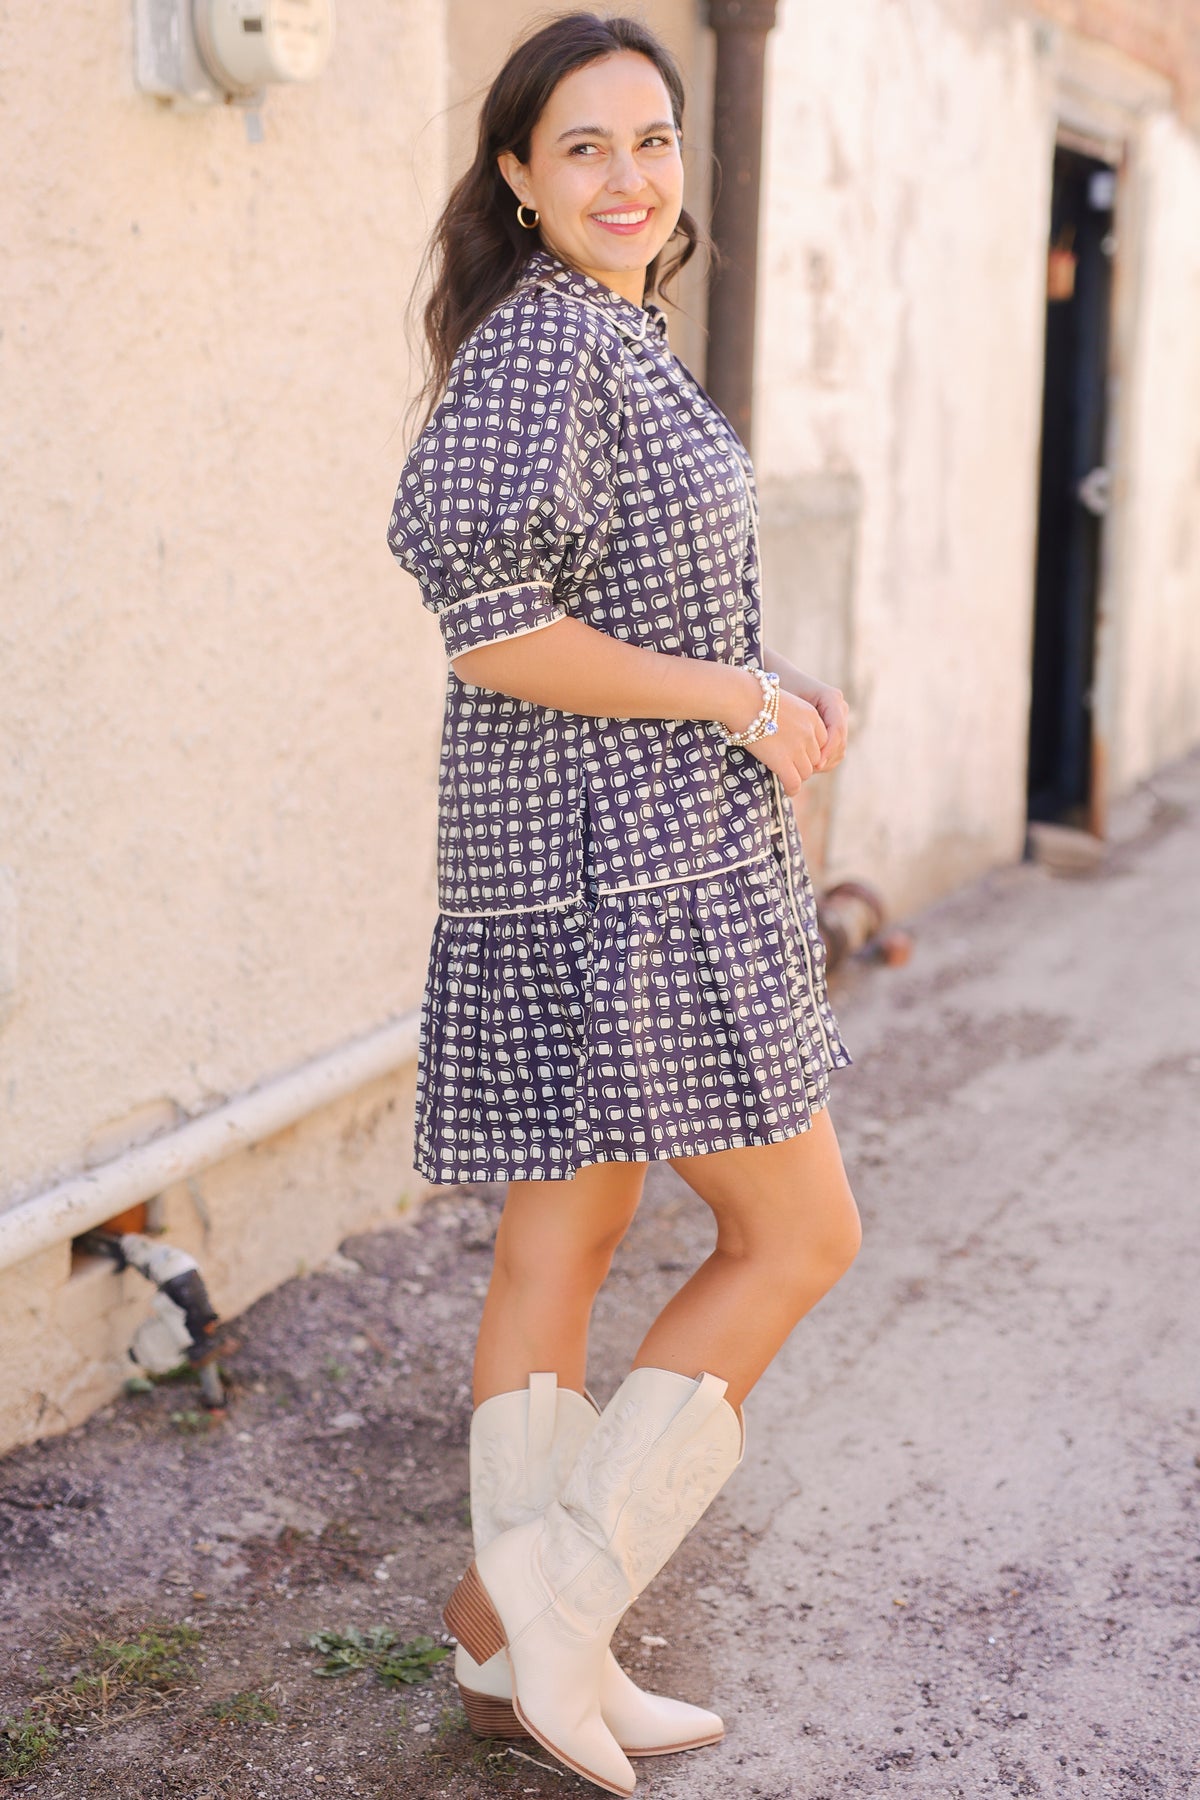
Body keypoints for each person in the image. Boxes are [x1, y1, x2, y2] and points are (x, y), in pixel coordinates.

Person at [387, 13, 861, 1794]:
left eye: (652, 141)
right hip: (610, 872)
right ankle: (559, 1615)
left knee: (564, 1244)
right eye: (583, 146)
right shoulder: (544, 350)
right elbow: (494, 626)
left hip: (622, 851)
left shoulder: (617, 340)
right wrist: (733, 700)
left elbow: (620, 608)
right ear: (516, 175)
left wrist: (771, 672)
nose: (629, 177)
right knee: (801, 1233)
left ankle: (509, 1644)